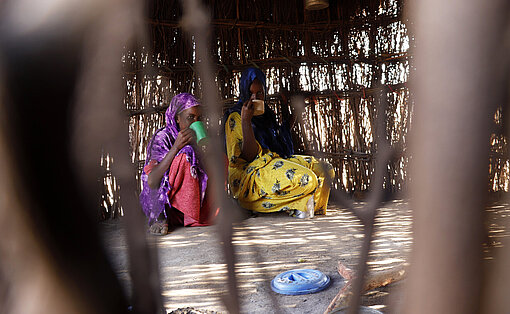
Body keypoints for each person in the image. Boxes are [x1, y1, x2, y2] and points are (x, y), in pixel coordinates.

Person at [223, 67, 334, 218]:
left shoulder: (266, 115)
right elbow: (248, 157)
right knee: (308, 180)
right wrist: (246, 121)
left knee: (325, 169)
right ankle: (250, 203)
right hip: (250, 175)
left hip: (272, 162)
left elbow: (281, 142)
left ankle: (307, 205)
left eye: (259, 93)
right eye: (250, 93)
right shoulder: (235, 118)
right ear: (243, 92)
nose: (255, 98)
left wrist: (295, 114)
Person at [140, 93, 213, 235]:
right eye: (190, 118)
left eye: (199, 119)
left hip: (189, 205)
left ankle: (194, 215)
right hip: (164, 203)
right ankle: (161, 218)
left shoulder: (197, 137)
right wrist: (176, 148)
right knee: (186, 153)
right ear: (177, 118)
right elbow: (152, 181)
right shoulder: (162, 137)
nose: (195, 123)